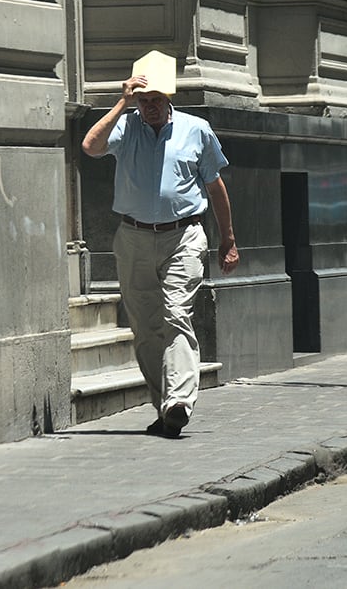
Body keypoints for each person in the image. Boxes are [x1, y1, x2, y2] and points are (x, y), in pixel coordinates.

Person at [81, 51, 240, 438]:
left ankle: (180, 401)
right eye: (143, 101)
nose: (149, 108)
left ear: (170, 100)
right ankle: (163, 406)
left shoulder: (195, 129)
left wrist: (228, 240)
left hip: (184, 235)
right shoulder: (126, 126)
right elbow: (90, 145)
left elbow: (215, 186)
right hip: (133, 237)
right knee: (146, 327)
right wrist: (120, 102)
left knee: (175, 314)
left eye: (156, 101)